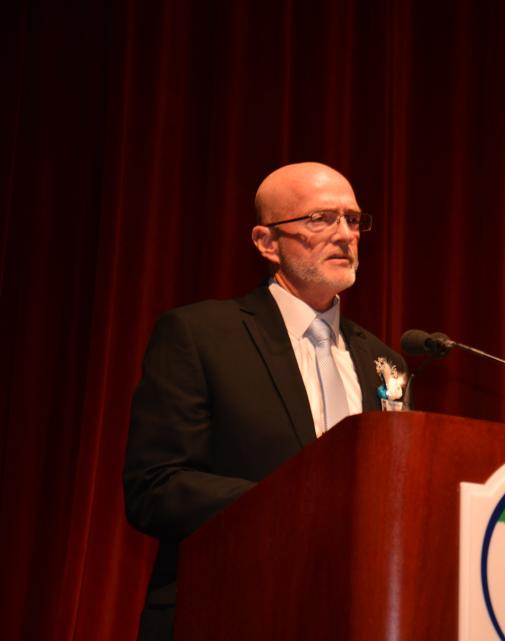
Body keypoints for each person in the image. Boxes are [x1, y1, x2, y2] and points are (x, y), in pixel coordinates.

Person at [123, 162, 408, 641]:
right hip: (229, 611)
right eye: (320, 219)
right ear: (265, 242)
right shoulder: (200, 336)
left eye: (353, 220)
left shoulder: (385, 363)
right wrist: (299, 504)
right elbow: (156, 488)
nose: (345, 235)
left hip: (355, 617)